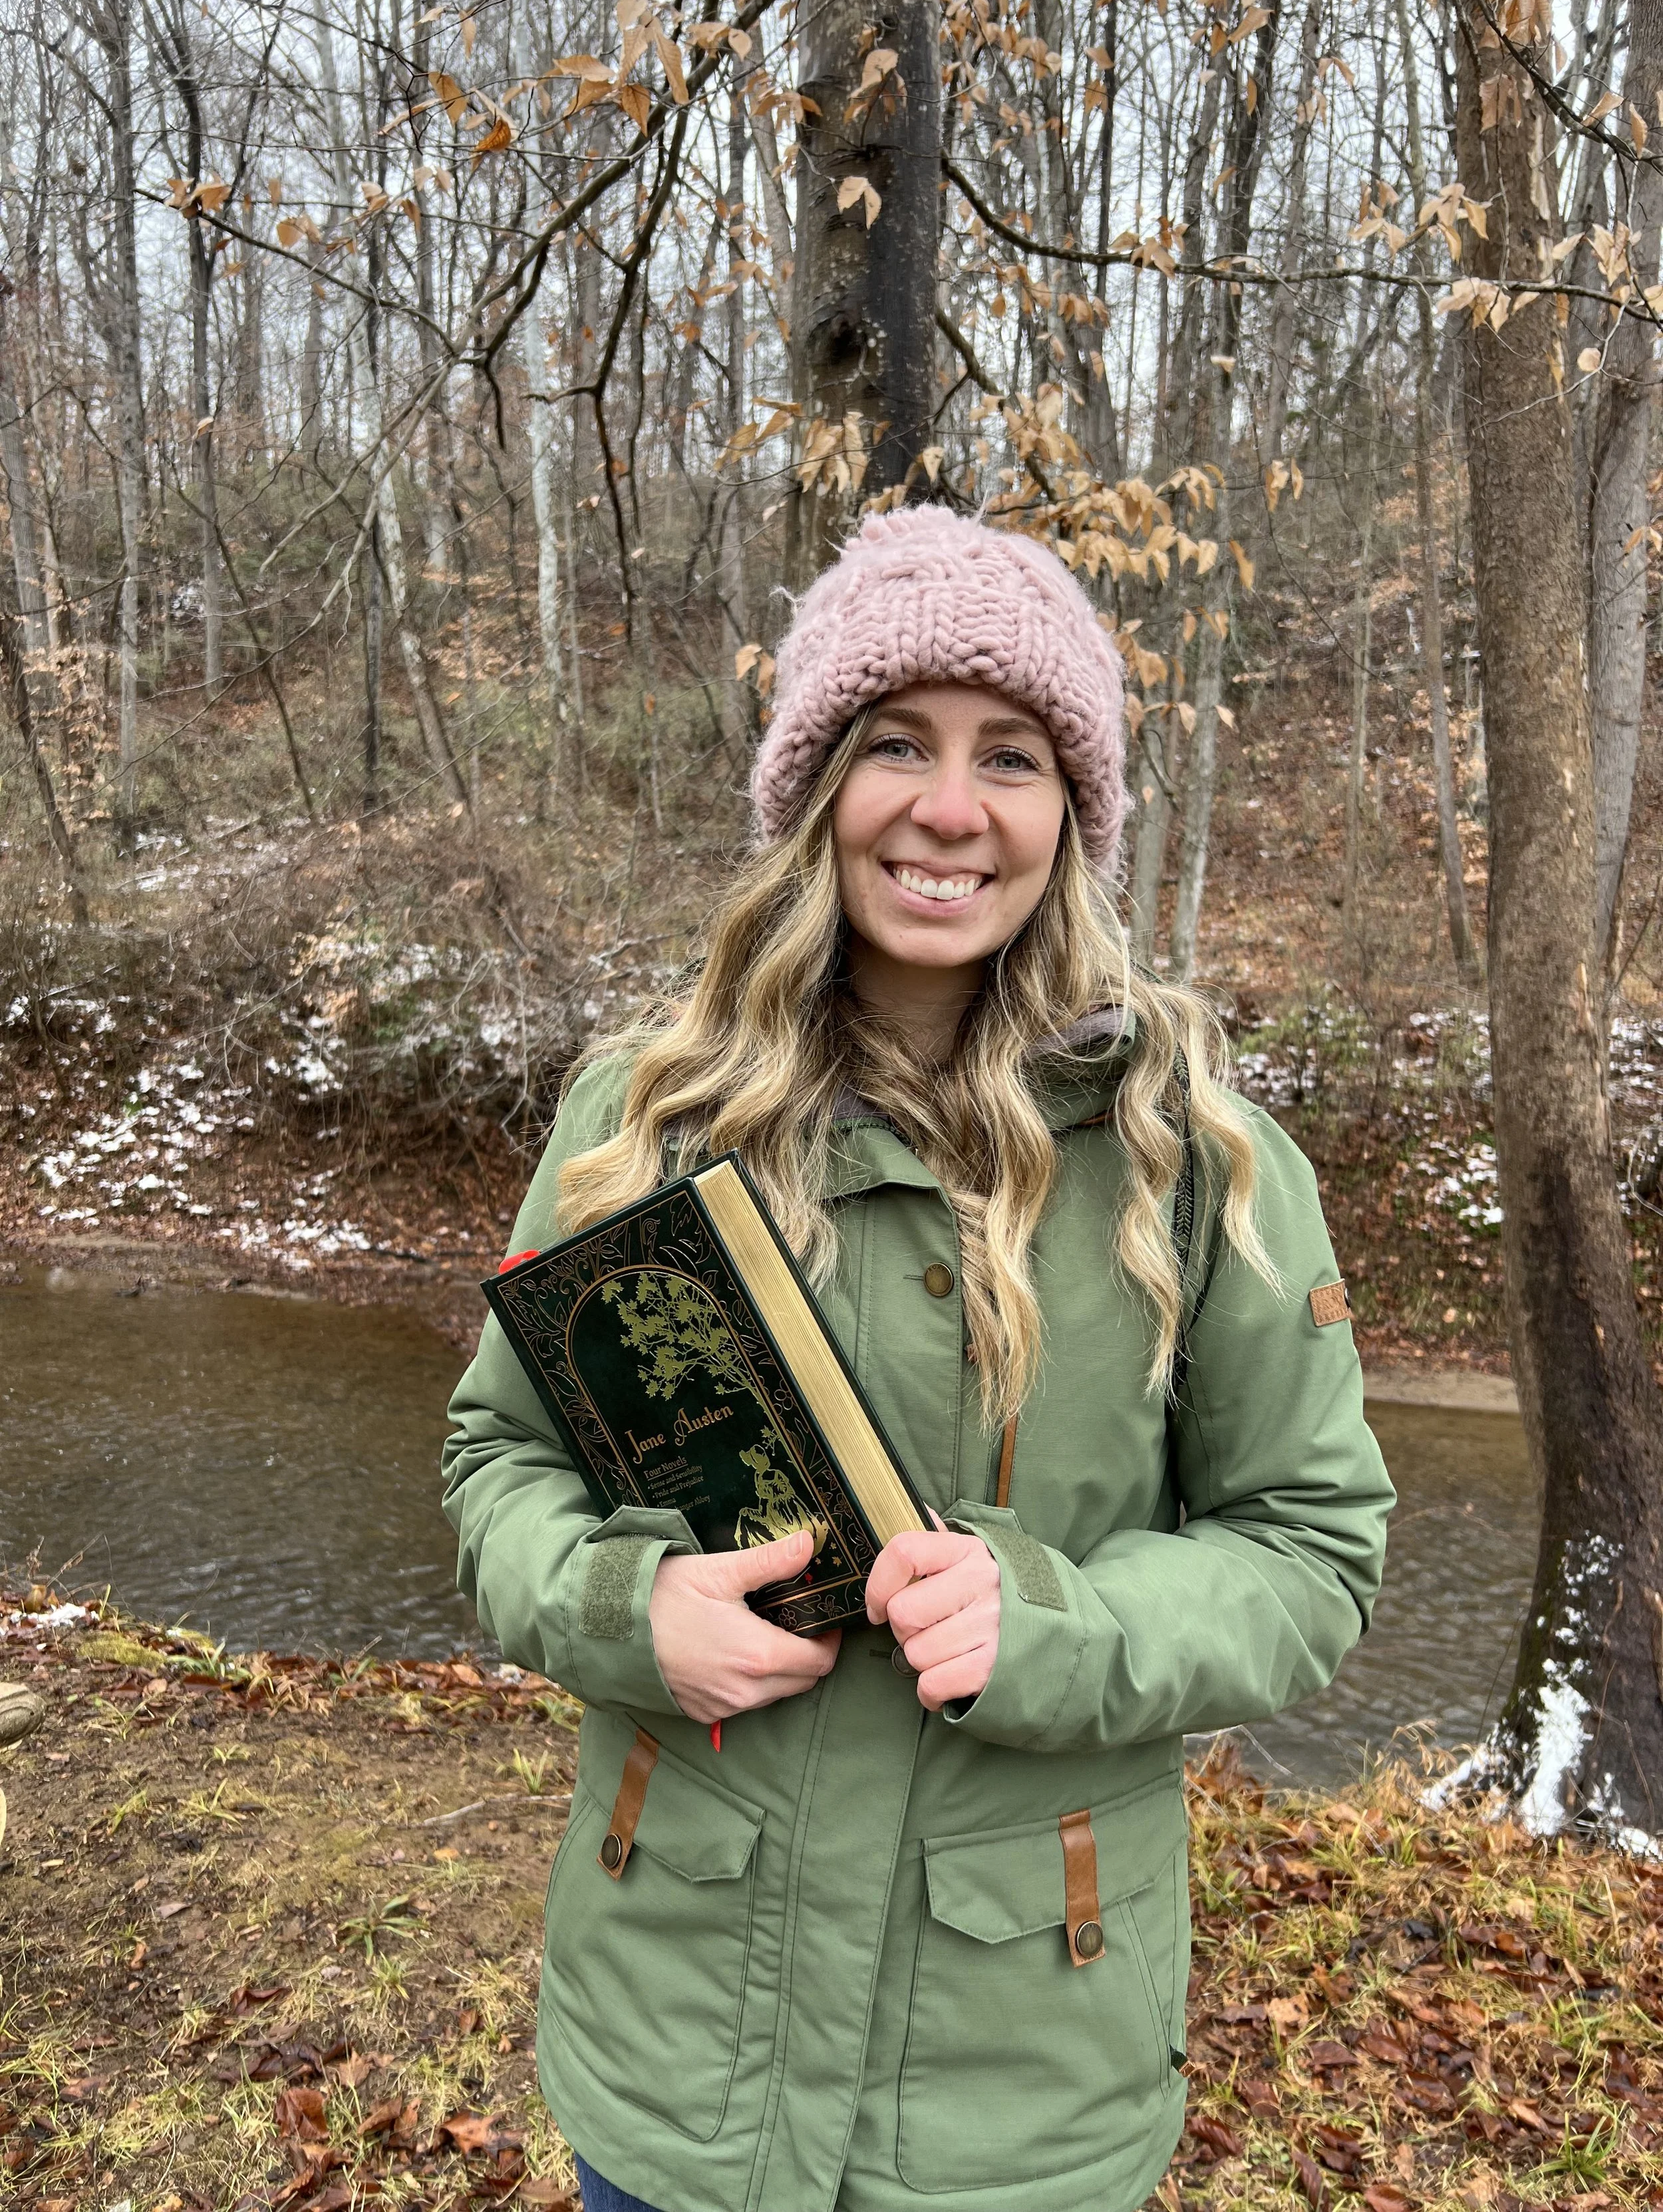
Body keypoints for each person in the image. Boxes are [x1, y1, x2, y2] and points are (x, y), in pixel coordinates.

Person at [442, 506, 1394, 2212]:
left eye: (1011, 755)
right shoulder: (637, 1120)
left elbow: (1311, 1552)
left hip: (1012, 2103)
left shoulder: (1202, 1163)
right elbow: (496, 1465)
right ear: (816, 784)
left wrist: (1066, 1625)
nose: (949, 807)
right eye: (897, 742)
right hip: (680, 2067)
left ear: (1071, 813)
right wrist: (621, 1609)